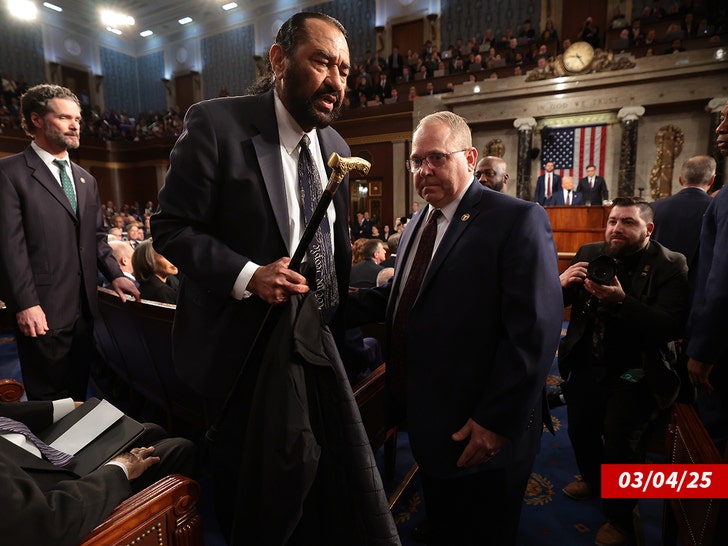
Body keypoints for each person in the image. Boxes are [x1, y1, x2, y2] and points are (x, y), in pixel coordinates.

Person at [151, 13, 395, 544]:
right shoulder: (216, 124)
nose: (337, 81)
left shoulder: (335, 143)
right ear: (279, 61)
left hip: (318, 343)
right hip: (245, 350)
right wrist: (248, 274)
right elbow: (169, 229)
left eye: (346, 70)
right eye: (323, 61)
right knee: (254, 493)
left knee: (316, 482)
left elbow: (332, 241)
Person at [348, 111, 563, 545]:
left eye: (436, 158)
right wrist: (327, 302)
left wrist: (495, 422)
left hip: (481, 427)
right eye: (415, 160)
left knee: (484, 529)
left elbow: (534, 331)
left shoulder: (516, 218)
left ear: (469, 157)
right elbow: (403, 298)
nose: (423, 169)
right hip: (429, 419)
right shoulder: (416, 225)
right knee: (446, 520)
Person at [558, 197, 689, 546]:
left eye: (628, 222)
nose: (616, 228)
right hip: (588, 361)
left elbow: (670, 325)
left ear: (648, 229)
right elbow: (560, 305)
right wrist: (560, 284)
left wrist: (622, 301)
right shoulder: (590, 251)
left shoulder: (670, 264)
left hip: (636, 371)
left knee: (621, 445)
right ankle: (591, 478)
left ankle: (618, 518)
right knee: (581, 429)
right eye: (613, 221)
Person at [0, 84, 139, 402]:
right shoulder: (9, 173)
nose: (75, 124)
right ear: (36, 119)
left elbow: (96, 237)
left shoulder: (85, 179)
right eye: (64, 117)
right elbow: (9, 247)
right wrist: (25, 303)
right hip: (42, 309)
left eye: (77, 118)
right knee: (49, 401)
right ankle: (51, 455)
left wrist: (115, 273)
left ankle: (77, 453)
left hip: (85, 309)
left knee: (78, 394)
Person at [0, 398, 196, 546]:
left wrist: (60, 408)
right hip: (53, 500)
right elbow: (45, 525)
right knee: (178, 450)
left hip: (25, 452)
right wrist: (120, 469)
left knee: (149, 431)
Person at [685, 99, 728, 451]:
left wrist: (703, 349)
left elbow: (721, 281)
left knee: (708, 446)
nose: (719, 127)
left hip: (719, 353)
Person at [650, 155, 715, 273]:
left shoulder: (653, 207)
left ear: (680, 180)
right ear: (712, 180)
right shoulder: (716, 209)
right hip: (698, 283)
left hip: (657, 281)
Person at [132, 240, 179, 304]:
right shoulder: (162, 292)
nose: (173, 259)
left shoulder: (170, 283)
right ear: (149, 260)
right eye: (165, 256)